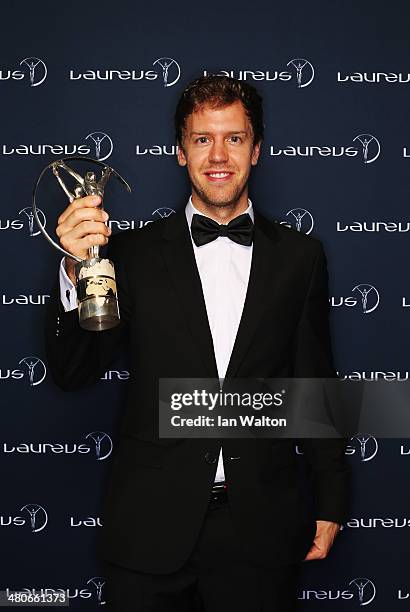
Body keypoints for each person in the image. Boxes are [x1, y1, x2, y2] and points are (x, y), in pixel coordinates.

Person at [46, 75, 350, 611]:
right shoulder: (131, 255)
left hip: (259, 530)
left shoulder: (301, 258)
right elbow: (74, 372)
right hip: (148, 529)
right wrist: (76, 268)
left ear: (256, 150)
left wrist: (331, 500)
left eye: (233, 138)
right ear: (180, 152)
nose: (218, 155)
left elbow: (314, 385)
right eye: (201, 139)